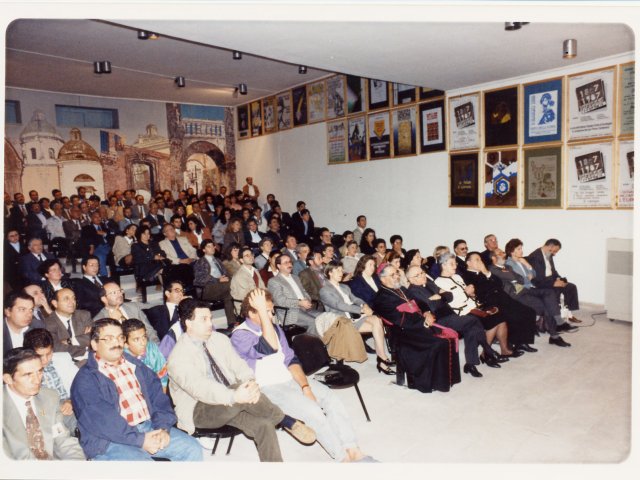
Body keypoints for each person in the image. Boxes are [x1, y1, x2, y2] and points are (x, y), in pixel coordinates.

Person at [232, 289, 377, 462]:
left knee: (331, 399)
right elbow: (269, 347)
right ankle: (342, 458)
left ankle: (353, 451)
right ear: (252, 312)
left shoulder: (275, 328)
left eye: (270, 310)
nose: (272, 314)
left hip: (288, 378)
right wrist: (264, 313)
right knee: (313, 411)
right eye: (267, 311)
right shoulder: (239, 335)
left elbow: (291, 360)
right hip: (267, 388)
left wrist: (305, 387)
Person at [166, 298, 314, 462]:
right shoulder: (178, 358)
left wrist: (250, 383)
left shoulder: (219, 339)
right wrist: (235, 395)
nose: (210, 323)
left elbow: (239, 366)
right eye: (204, 319)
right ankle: (285, 420)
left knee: (264, 425)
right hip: (200, 410)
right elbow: (201, 388)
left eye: (210, 318)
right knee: (238, 388)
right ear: (189, 323)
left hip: (231, 400)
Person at [70, 319, 202, 461]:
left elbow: (158, 398)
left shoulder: (135, 365)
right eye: (109, 339)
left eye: (120, 337)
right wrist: (140, 440)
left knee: (192, 448)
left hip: (148, 426)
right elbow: (102, 421)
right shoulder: (85, 379)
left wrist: (163, 428)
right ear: (95, 344)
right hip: (108, 439)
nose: (117, 343)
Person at [372, 264, 461, 393]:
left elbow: (420, 302)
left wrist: (426, 313)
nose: (397, 276)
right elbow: (400, 320)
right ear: (383, 279)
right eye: (393, 275)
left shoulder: (401, 288)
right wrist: (423, 322)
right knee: (439, 342)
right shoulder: (380, 299)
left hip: (418, 324)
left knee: (449, 336)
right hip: (403, 333)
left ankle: (449, 379)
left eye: (396, 273)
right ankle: (435, 382)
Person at [406, 265, 502, 376]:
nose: (423, 275)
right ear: (411, 279)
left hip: (449, 315)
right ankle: (488, 351)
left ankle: (471, 364)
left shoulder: (429, 283)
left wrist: (440, 297)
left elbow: (450, 295)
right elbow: (431, 307)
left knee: (471, 327)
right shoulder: (412, 291)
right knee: (473, 321)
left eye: (422, 272)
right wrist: (439, 297)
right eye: (418, 275)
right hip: (437, 321)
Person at [3, 347, 85, 460]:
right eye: (28, 375)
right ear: (8, 379)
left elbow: (63, 440)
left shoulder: (49, 397)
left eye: (40, 372)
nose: (37, 380)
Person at [434, 253, 516, 359]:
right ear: (443, 265)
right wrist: (466, 293)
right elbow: (451, 301)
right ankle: (486, 354)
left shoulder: (457, 276)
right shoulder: (439, 282)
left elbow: (470, 294)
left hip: (474, 306)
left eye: (455, 263)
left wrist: (472, 294)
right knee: (493, 320)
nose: (455, 266)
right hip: (463, 312)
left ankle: (504, 350)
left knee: (500, 315)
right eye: (452, 264)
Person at [319, 262, 394, 374]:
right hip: (341, 322)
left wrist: (364, 305)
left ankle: (381, 358)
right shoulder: (325, 290)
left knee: (377, 320)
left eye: (341, 270)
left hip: (354, 318)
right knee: (376, 324)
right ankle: (382, 360)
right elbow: (339, 305)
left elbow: (355, 299)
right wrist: (361, 310)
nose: (342, 273)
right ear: (329, 272)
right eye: (338, 270)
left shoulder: (344, 287)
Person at [463, 251, 538, 355]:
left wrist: (486, 273)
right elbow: (479, 292)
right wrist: (487, 279)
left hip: (502, 297)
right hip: (489, 301)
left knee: (529, 311)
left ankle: (522, 342)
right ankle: (512, 343)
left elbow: (499, 283)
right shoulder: (466, 275)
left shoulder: (483, 272)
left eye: (480, 260)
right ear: (468, 262)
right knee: (513, 315)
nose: (480, 262)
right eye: (477, 260)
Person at [23, 328, 79, 432]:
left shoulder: (63, 359)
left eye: (48, 354)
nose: (45, 360)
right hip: (46, 411)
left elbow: (81, 384)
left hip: (69, 404)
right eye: (39, 356)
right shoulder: (23, 371)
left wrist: (71, 401)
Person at [526, 238, 581, 323]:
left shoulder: (548, 254)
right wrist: (553, 283)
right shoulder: (535, 257)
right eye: (554, 251)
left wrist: (559, 279)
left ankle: (569, 314)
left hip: (550, 280)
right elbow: (538, 278)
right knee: (555, 290)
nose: (554, 254)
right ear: (550, 246)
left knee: (571, 287)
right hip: (541, 283)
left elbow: (553, 271)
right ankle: (557, 318)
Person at [267, 254, 322, 335]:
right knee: (314, 322)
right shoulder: (274, 281)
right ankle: (305, 343)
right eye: (286, 263)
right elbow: (280, 301)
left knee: (324, 317)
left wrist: (307, 300)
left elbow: (304, 292)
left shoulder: (295, 277)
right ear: (278, 266)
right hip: (290, 312)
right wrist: (299, 303)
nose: (289, 264)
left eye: (290, 262)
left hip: (305, 308)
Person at [93, 281, 160, 344]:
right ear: (104, 299)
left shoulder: (134, 307)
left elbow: (150, 331)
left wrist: (157, 348)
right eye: (114, 293)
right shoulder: (99, 320)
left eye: (120, 291)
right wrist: (114, 321)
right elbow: (109, 344)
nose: (120, 294)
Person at [44, 288, 92, 360]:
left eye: (74, 298)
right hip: (65, 362)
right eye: (66, 299)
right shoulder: (48, 323)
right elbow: (56, 348)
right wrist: (85, 347)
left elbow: (95, 336)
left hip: (89, 358)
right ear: (55, 303)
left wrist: (70, 341)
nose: (72, 302)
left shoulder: (84, 315)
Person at [122, 319, 169, 391]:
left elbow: (163, 378)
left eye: (144, 337)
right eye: (136, 339)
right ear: (125, 344)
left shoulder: (151, 349)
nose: (143, 343)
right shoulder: (122, 360)